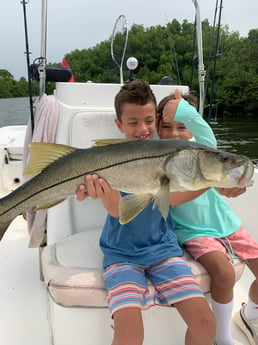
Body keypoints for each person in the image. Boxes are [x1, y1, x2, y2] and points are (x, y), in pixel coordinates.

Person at [77, 80, 216, 345]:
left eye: (149, 121)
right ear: (119, 125)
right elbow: (117, 210)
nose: (142, 129)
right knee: (129, 335)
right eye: (133, 123)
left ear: (157, 119)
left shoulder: (169, 159)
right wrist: (97, 191)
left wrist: (217, 181)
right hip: (122, 255)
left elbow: (174, 198)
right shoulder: (112, 160)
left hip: (164, 251)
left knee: (206, 324)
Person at [157, 90, 258, 345]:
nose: (174, 134)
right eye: (166, 127)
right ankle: (222, 338)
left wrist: (182, 107)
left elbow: (206, 135)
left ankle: (250, 315)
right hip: (193, 231)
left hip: (227, 223)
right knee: (223, 273)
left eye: (182, 126)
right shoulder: (159, 160)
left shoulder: (204, 152)